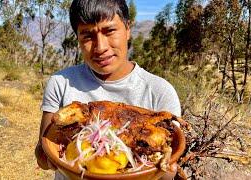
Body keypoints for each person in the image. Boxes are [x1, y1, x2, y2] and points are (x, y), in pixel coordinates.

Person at [35, 0, 181, 179]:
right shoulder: (61, 83)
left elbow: (166, 169)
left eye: (109, 31)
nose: (101, 47)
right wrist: (48, 154)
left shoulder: (159, 92)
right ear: (78, 38)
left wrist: (167, 169)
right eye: (87, 36)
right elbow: (43, 156)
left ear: (128, 29)